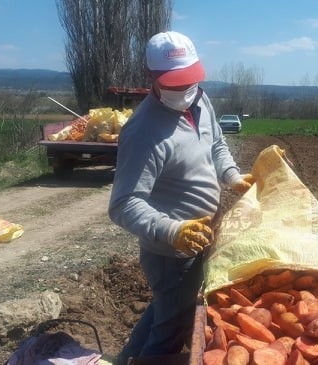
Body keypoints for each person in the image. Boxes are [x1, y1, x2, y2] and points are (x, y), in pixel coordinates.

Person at [107, 30, 255, 364]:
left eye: (191, 79)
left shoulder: (199, 100)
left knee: (166, 309)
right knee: (171, 328)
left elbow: (216, 143)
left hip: (201, 239)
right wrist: (173, 230)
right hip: (170, 255)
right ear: (153, 78)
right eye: (176, 83)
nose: (186, 90)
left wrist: (231, 176)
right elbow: (123, 204)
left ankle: (128, 358)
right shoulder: (143, 132)